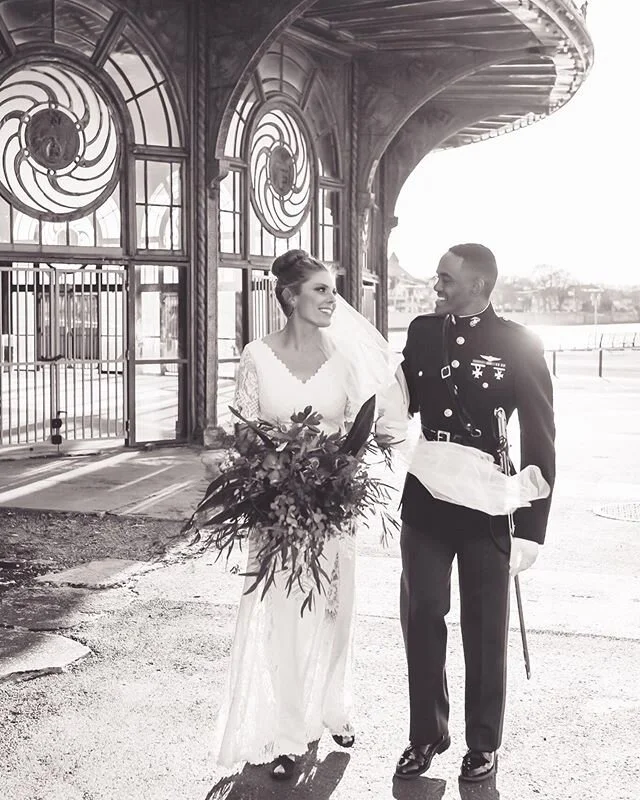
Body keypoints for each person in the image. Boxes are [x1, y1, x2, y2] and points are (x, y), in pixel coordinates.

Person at [393, 243, 555, 782]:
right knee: (422, 614)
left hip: (486, 497)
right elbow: (401, 401)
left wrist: (532, 527)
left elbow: (539, 433)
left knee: (484, 625)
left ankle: (482, 742)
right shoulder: (421, 332)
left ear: (479, 285)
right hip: (426, 493)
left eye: (445, 279)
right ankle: (426, 735)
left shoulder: (516, 342)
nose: (435, 286)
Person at [213, 249, 367, 780]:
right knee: (284, 619)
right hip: (277, 513)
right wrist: (269, 472)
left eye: (332, 290)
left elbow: (357, 435)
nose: (332, 300)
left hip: (332, 512)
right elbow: (242, 430)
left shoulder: (345, 359)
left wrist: (338, 478)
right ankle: (287, 733)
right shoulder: (256, 356)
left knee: (333, 612)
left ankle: (331, 706)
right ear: (289, 296)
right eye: (321, 290)